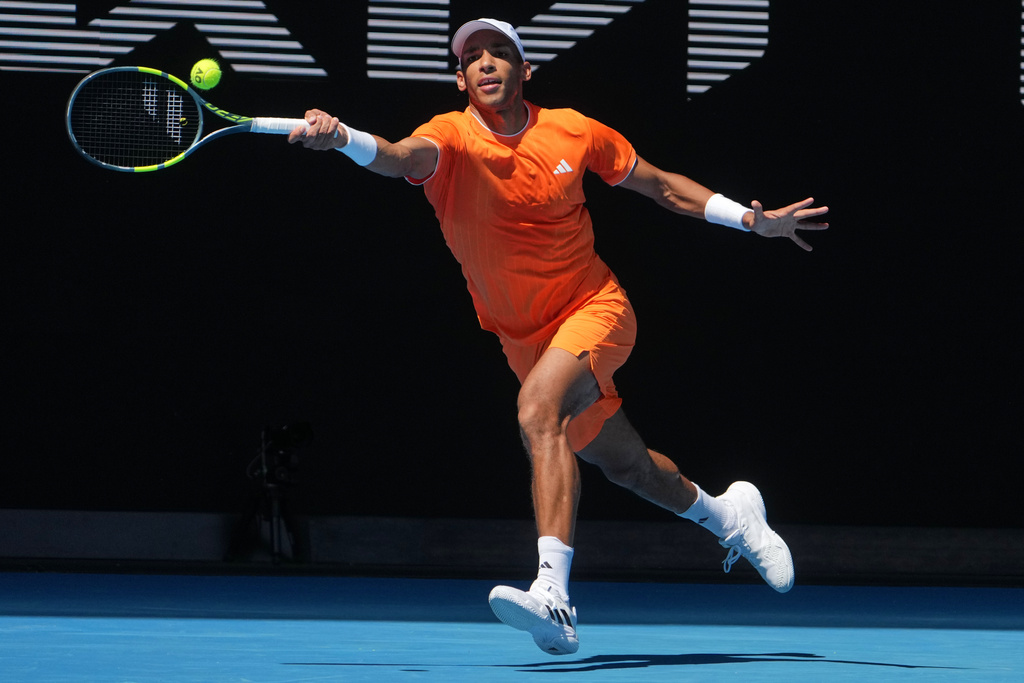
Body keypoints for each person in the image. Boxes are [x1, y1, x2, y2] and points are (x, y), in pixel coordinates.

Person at [289, 18, 828, 656]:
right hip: (524, 340)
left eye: (500, 54)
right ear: (461, 79)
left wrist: (748, 219)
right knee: (628, 467)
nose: (486, 65)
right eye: (473, 59)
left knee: (536, 412)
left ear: (525, 69)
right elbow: (398, 156)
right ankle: (730, 517)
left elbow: (658, 186)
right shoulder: (450, 138)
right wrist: (344, 137)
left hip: (595, 309)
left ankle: (554, 596)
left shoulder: (574, 129)